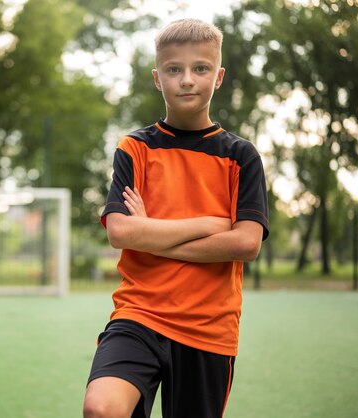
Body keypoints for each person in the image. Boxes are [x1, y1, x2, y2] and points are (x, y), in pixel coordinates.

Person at [82, 18, 269, 418]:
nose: (187, 79)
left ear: (217, 77)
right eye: (174, 69)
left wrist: (150, 232)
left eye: (200, 69)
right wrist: (209, 224)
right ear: (157, 77)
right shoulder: (134, 148)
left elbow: (246, 243)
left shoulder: (241, 156)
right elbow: (120, 232)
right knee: (102, 408)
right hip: (139, 313)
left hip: (209, 328)